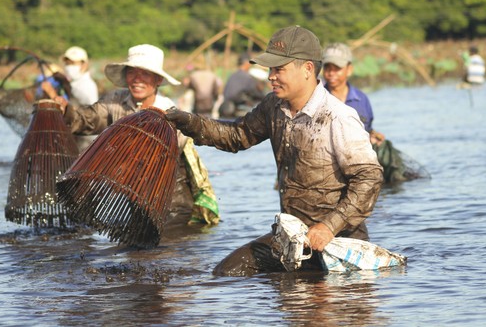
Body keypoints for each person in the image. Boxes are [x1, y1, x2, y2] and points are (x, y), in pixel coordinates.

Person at [166, 26, 383, 276]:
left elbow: (370, 178)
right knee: (226, 273)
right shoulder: (274, 106)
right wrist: (187, 121)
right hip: (292, 235)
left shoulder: (338, 117)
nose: (271, 76)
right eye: (270, 69)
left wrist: (328, 226)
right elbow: (237, 135)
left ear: (307, 69)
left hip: (338, 241)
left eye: (279, 69)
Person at [52, 44, 220, 233]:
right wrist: (65, 110)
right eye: (132, 72)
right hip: (135, 197)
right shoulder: (115, 102)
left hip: (171, 198)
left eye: (145, 74)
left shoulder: (170, 113)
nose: (137, 79)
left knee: (167, 251)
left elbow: (166, 159)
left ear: (157, 79)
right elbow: (86, 120)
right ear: (125, 76)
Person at [322, 43, 429, 184]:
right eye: (327, 68)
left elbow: (367, 127)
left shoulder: (361, 99)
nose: (331, 73)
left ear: (349, 70)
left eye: (337, 69)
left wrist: (373, 135)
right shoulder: (319, 99)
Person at [219, 53, 267, 118]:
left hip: (226, 106)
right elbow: (255, 93)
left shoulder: (232, 75)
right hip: (236, 109)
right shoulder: (247, 77)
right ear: (246, 64)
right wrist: (266, 97)